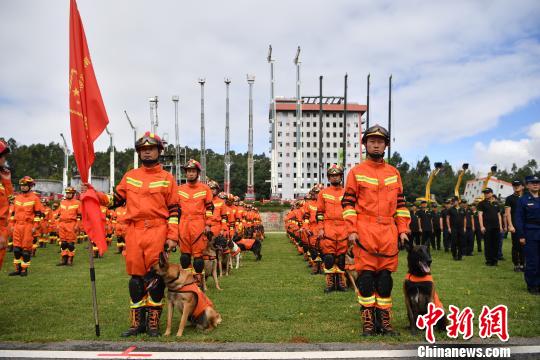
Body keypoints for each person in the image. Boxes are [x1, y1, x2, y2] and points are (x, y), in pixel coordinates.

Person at [89, 132, 179, 337]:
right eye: (143, 150)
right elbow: (117, 199)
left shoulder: (167, 179)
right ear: (139, 153)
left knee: (155, 277)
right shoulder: (130, 176)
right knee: (136, 279)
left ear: (159, 151)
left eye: (151, 149)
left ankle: (153, 322)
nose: (147, 152)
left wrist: (172, 236)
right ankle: (137, 323)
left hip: (158, 230)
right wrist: (96, 196)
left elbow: (174, 209)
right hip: (134, 231)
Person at [341, 125, 410, 336]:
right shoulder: (356, 172)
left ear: (386, 145)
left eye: (380, 141)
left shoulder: (394, 173)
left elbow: (400, 205)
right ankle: (368, 321)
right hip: (365, 232)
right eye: (372, 141)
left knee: (385, 281)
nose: (376, 144)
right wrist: (351, 230)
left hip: (388, 233)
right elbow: (348, 204)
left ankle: (385, 321)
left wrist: (403, 230)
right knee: (367, 279)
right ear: (365, 145)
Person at [177, 159, 214, 287]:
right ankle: (187, 281)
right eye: (188, 171)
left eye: (193, 171)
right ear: (185, 174)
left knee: (198, 256)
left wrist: (208, 224)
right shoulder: (179, 189)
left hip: (199, 224)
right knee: (185, 256)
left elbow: (210, 208)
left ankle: (198, 282)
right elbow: (174, 209)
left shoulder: (205, 189)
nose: (190, 174)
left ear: (198, 173)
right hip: (183, 224)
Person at [316, 164, 348, 292]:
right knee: (328, 257)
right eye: (332, 176)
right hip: (328, 226)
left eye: (337, 175)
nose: (335, 178)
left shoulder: (347, 192)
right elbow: (319, 213)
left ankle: (340, 282)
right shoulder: (323, 193)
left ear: (341, 177)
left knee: (341, 257)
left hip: (344, 226)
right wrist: (321, 228)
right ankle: (330, 282)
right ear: (328, 178)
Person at [9, 176, 44, 276]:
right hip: (17, 226)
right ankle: (17, 269)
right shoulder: (17, 198)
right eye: (22, 186)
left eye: (25, 186)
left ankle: (24, 269)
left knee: (25, 250)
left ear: (30, 186)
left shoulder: (35, 198)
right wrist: (12, 225)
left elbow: (38, 214)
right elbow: (13, 213)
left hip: (28, 226)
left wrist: (35, 226)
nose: (23, 187)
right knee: (16, 249)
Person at [514, 175, 540, 295]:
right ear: (527, 185)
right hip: (530, 233)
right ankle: (532, 285)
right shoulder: (523, 200)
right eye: (532, 182)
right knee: (532, 261)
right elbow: (519, 219)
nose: (535, 184)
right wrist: (521, 235)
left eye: (537, 182)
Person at [56, 187, 81, 266]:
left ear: (73, 194)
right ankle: (63, 258)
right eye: (67, 193)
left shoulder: (77, 203)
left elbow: (80, 216)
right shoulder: (62, 202)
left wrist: (77, 225)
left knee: (70, 243)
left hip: (71, 224)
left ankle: (70, 259)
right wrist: (57, 225)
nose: (68, 194)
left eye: (69, 193)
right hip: (62, 224)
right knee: (63, 243)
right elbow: (58, 214)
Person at [478, 188, 503, 267]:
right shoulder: (481, 203)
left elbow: (499, 215)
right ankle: (489, 261)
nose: (486, 194)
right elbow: (480, 215)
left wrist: (501, 226)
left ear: (491, 193)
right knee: (488, 244)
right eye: (485, 193)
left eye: (487, 193)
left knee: (496, 244)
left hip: (496, 227)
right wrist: (482, 226)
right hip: (487, 227)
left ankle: (495, 261)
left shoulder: (496, 203)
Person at [506, 180, 525, 272]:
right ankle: (516, 264)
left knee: (524, 245)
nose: (516, 186)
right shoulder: (509, 198)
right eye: (514, 185)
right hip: (515, 226)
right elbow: (508, 213)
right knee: (516, 245)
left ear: (522, 186)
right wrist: (510, 225)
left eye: (518, 185)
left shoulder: (526, 197)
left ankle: (523, 264)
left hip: (526, 226)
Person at [0, 139, 13, 271]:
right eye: (3, 156)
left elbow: (9, 200)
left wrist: (7, 182)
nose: (4, 160)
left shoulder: (2, 182)